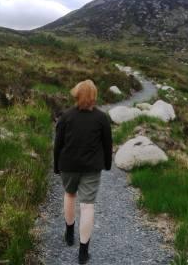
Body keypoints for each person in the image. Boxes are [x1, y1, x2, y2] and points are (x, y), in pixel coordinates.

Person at [53, 79, 113, 264]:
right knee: (87, 206)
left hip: (68, 165)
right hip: (91, 168)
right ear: (94, 96)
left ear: (76, 94)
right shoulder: (102, 118)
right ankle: (83, 252)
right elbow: (107, 145)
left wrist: (56, 166)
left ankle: (69, 233)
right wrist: (107, 164)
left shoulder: (66, 116)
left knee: (70, 195)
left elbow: (58, 144)